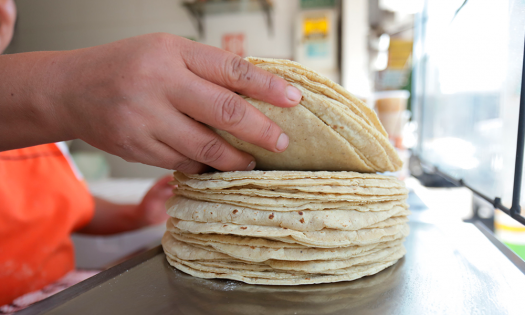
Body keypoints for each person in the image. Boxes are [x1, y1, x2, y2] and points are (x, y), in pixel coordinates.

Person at [0, 0, 301, 306]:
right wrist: (65, 89)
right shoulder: (36, 117)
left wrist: (135, 214)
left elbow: (71, 208)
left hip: (60, 296)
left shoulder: (46, 138)